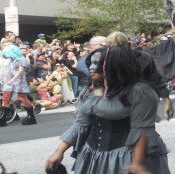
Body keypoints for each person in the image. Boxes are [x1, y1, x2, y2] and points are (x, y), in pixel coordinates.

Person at [46, 46, 170, 174]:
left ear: (114, 66)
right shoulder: (89, 91)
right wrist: (59, 151)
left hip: (128, 157)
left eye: (97, 63)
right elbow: (80, 124)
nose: (91, 67)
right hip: (93, 156)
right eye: (91, 63)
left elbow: (141, 129)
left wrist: (137, 163)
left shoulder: (140, 92)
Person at [106, 31, 174, 120]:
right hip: (115, 104)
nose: (117, 53)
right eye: (113, 49)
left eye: (120, 49)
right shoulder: (105, 60)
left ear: (129, 45)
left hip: (141, 102)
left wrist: (166, 100)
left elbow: (156, 79)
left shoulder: (143, 58)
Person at [0, 45, 37, 126]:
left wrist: (13, 79)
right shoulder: (10, 59)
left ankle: (31, 117)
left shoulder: (22, 59)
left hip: (19, 81)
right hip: (9, 81)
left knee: (22, 98)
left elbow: (21, 70)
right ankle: (3, 118)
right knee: (6, 97)